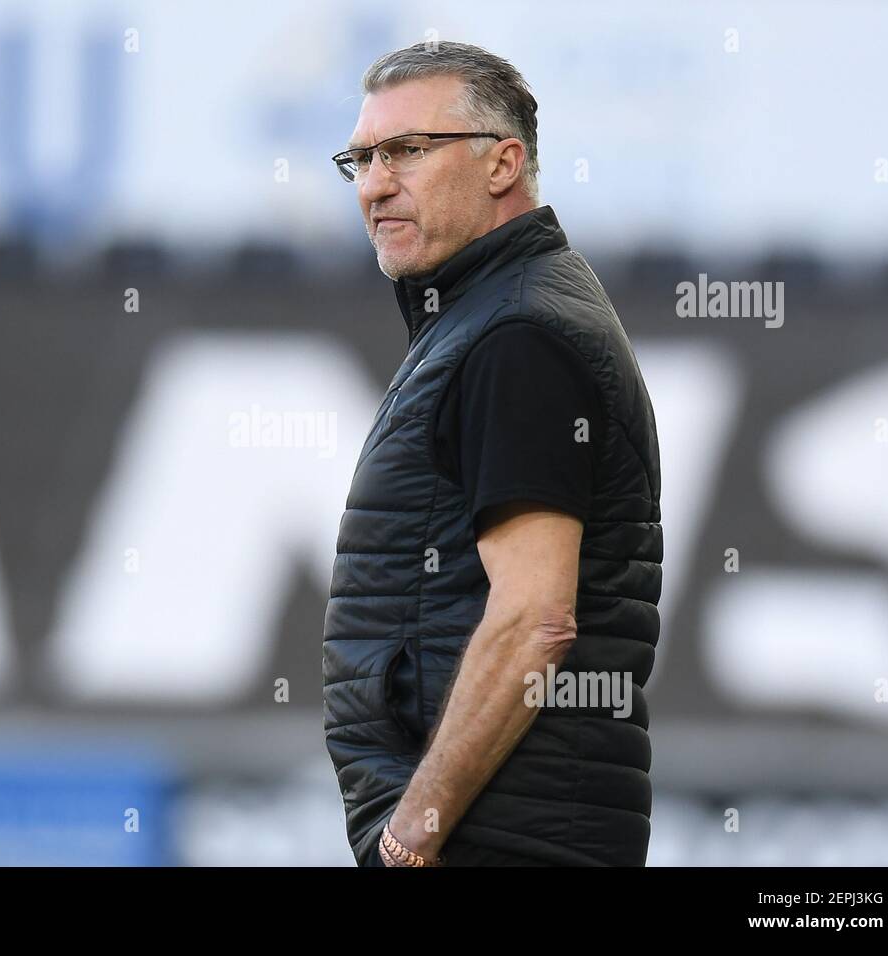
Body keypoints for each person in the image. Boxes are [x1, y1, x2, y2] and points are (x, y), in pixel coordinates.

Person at [321, 41, 664, 866]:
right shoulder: (486, 321)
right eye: (360, 159)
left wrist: (412, 836)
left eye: (407, 151)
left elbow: (534, 619)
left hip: (506, 839)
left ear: (503, 162)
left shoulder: (518, 335)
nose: (373, 184)